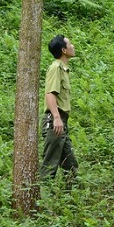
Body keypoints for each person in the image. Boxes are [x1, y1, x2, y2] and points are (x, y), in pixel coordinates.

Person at [39, 35, 78, 181]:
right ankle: (43, 199)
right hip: (55, 121)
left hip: (62, 122)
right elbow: (50, 94)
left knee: (71, 166)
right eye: (70, 43)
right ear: (64, 50)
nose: (73, 46)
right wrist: (56, 118)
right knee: (50, 166)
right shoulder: (56, 68)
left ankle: (66, 201)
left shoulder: (64, 69)